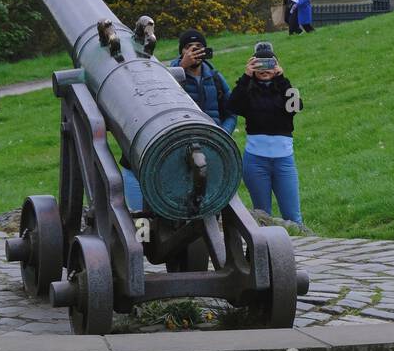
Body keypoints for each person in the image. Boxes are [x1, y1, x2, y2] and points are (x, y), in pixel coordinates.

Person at [119, 29, 237, 212]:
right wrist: (181, 67)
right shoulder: (166, 76)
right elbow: (156, 100)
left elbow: (231, 111)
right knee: (142, 217)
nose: (194, 51)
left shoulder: (214, 77)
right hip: (176, 146)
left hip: (208, 147)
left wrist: (222, 134)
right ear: (181, 51)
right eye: (188, 47)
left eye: (199, 47)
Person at [223, 42, 305, 224]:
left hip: (284, 161)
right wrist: (245, 77)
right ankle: (266, 251)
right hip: (255, 162)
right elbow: (232, 106)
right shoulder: (247, 90)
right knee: (263, 217)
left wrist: (282, 78)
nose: (264, 69)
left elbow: (296, 106)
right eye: (259, 64)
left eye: (269, 64)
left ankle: (296, 250)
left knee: (293, 217)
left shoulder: (284, 88)